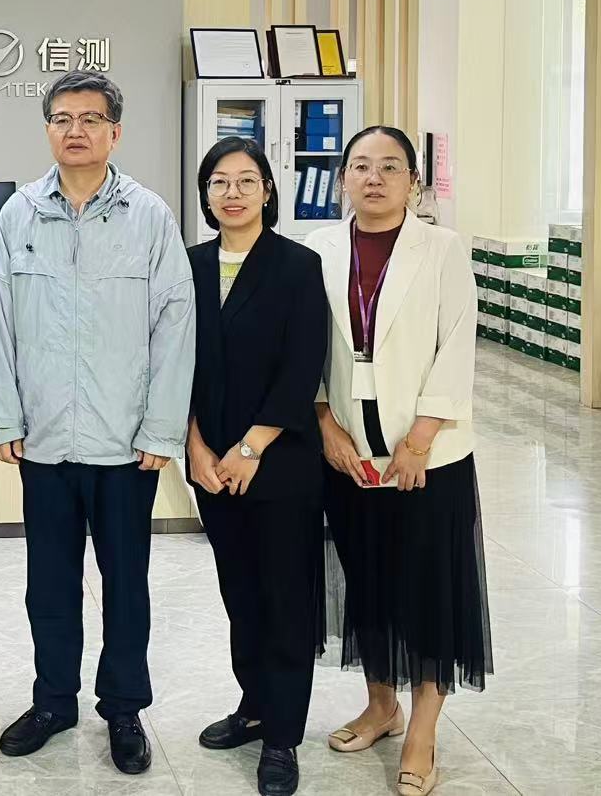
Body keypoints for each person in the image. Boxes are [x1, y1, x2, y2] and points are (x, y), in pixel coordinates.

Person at [0, 70, 196, 776]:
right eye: (63, 119)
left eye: (91, 119)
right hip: (45, 440)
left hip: (124, 444)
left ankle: (124, 709)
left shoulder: (149, 216)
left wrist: (161, 430)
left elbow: (176, 325)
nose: (76, 130)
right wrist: (5, 415)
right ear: (48, 129)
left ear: (114, 132)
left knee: (126, 585)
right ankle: (52, 702)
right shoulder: (18, 214)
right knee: (48, 585)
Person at [310, 126, 491, 796]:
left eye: (390, 166)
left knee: (429, 590)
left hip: (428, 455)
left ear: (413, 182)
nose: (374, 177)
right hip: (349, 452)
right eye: (360, 166)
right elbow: (307, 347)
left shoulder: (442, 250)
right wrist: (324, 422)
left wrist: (419, 440)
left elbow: (457, 345)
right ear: (343, 180)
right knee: (368, 580)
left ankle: (422, 731)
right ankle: (381, 705)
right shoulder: (319, 249)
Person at [185, 138, 328, 796]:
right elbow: (172, 364)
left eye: (247, 180)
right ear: (206, 194)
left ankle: (283, 735)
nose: (233, 193)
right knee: (240, 592)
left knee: (284, 597)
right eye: (220, 181)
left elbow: (303, 366)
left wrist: (250, 447)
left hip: (279, 462)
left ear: (268, 190)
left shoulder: (297, 265)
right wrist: (195, 447)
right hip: (210, 465)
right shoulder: (188, 265)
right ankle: (253, 706)